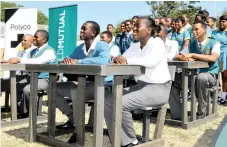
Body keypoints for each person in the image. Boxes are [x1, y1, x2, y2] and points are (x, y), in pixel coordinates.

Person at [104, 16, 171, 147]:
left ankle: (130, 141)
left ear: (148, 30)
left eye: (137, 26)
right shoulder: (134, 46)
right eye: (133, 26)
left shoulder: (157, 42)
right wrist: (118, 59)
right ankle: (120, 140)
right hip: (140, 86)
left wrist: (126, 60)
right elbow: (122, 59)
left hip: (158, 88)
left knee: (121, 103)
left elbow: (150, 62)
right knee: (107, 101)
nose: (133, 29)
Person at [54, 21, 110, 143]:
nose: (81, 31)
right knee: (53, 88)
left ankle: (78, 131)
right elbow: (70, 58)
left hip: (101, 84)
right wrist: (66, 60)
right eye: (81, 29)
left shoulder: (102, 45)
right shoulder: (80, 47)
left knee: (76, 90)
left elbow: (104, 60)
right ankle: (74, 119)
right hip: (84, 83)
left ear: (93, 32)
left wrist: (79, 62)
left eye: (84, 29)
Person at [169, 20, 220, 120]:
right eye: (192, 29)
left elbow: (213, 58)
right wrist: (183, 57)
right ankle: (178, 115)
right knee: (172, 82)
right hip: (193, 74)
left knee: (201, 78)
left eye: (196, 29)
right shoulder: (192, 44)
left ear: (204, 30)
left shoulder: (214, 43)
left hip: (210, 75)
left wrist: (192, 55)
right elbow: (177, 56)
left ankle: (202, 113)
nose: (193, 32)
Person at [7, 30, 57, 118]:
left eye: (36, 37)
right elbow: (24, 59)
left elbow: (38, 61)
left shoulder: (49, 51)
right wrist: (9, 60)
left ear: (44, 39)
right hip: (32, 77)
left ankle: (32, 113)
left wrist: (19, 60)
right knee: (14, 86)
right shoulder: (33, 51)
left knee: (27, 89)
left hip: (45, 79)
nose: (34, 38)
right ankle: (21, 111)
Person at [212, 15, 227, 104]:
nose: (221, 23)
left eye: (224, 21)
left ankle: (223, 97)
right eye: (220, 21)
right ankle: (216, 95)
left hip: (224, 56)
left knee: (225, 76)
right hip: (215, 56)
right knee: (215, 76)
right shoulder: (214, 32)